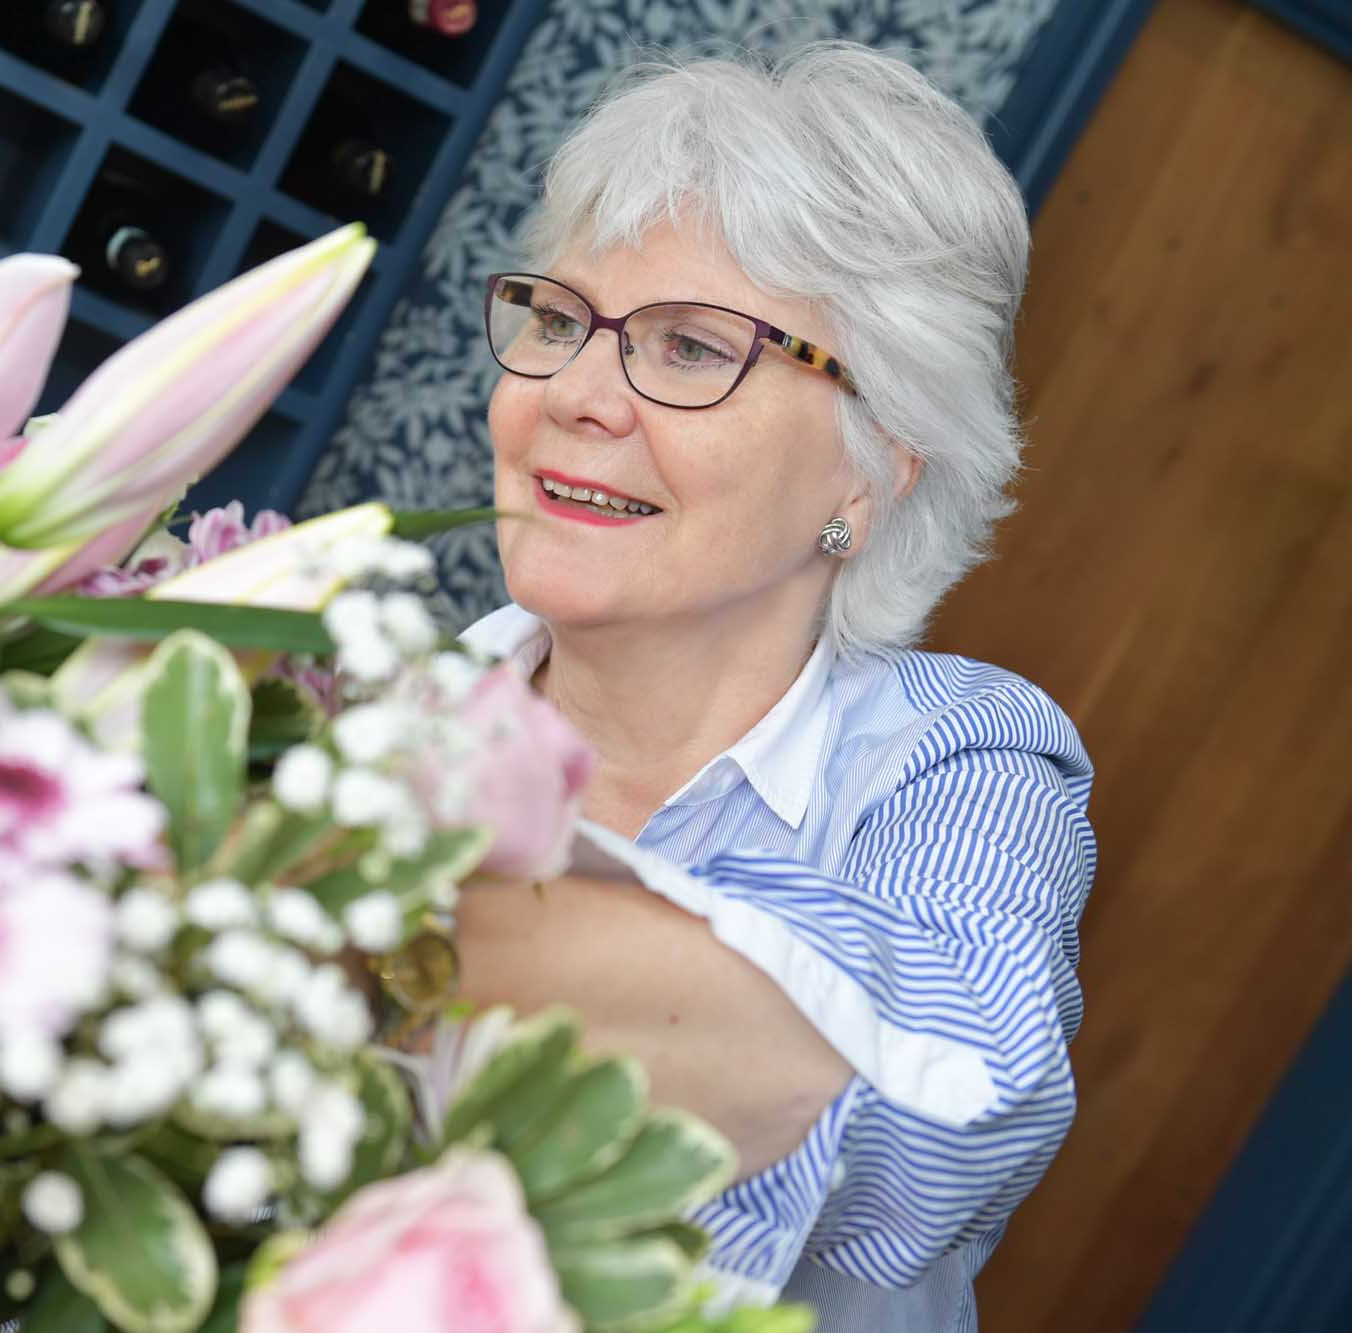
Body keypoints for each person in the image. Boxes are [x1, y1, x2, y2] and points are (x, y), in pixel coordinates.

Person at [450, 41, 1096, 1330]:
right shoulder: (361, 708)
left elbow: (955, 1109)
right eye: (561, 321)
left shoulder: (956, 756)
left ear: (873, 468)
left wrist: (397, 889)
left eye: (692, 349)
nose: (577, 395)